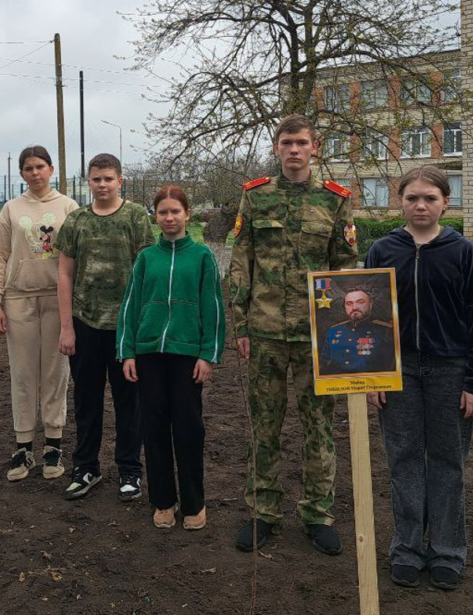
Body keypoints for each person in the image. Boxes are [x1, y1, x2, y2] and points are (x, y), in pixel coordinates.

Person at [229, 114, 357, 555]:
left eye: (302, 142)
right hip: (264, 333)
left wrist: (343, 329)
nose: (295, 149)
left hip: (317, 335)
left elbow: (346, 266)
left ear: (315, 147)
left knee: (319, 426)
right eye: (287, 142)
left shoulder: (335, 201)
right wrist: (241, 325)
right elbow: (240, 261)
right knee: (264, 426)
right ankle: (263, 511)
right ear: (277, 146)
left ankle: (318, 512)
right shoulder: (256, 198)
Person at [364, 166, 473, 591]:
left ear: (446, 202)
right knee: (402, 460)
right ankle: (405, 548)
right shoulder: (382, 251)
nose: (421, 205)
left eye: (430, 198)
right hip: (398, 371)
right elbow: (368, 317)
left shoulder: (465, 253)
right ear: (399, 201)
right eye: (412, 198)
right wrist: (374, 375)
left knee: (447, 462)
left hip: (450, 371)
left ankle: (446, 550)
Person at [117, 184, 225, 530]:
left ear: (187, 214)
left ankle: (194, 502)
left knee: (189, 428)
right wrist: (128, 351)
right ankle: (163, 500)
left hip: (186, 356)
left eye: (175, 211)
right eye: (162, 212)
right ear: (155, 216)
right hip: (149, 355)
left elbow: (214, 308)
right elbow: (130, 306)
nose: (169, 218)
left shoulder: (203, 256)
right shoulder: (146, 258)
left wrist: (208, 354)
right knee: (154, 428)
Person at [54, 153, 154, 501]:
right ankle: (86, 468)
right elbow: (64, 274)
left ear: (120, 180)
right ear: (88, 182)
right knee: (87, 401)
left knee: (130, 402)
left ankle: (130, 470)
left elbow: (146, 273)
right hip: (85, 324)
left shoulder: (136, 217)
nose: (102, 185)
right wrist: (67, 327)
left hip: (126, 329)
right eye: (96, 179)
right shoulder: (77, 221)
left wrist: (143, 326)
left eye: (108, 179)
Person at [0, 145, 78, 481]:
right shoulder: (11, 210)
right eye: (28, 168)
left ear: (51, 170)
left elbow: (76, 257)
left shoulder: (68, 207)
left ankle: (53, 446)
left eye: (40, 166)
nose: (35, 173)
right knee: (23, 375)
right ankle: (23, 448)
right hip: (19, 301)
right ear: (22, 173)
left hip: (58, 301)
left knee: (55, 374)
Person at [319, 285, 395, 375]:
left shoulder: (386, 331)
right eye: (349, 303)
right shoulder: (333, 331)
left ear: (370, 305)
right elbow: (322, 366)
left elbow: (392, 369)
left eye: (360, 302)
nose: (354, 307)